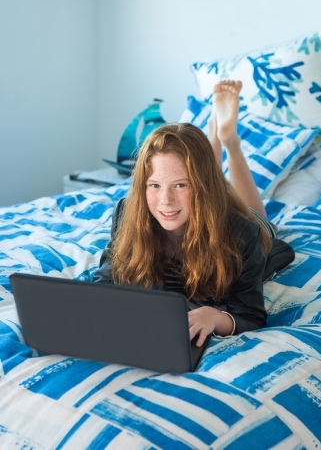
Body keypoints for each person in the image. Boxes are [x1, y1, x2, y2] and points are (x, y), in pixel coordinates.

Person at [93, 80, 277, 347]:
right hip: (204, 199)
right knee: (197, 174)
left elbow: (250, 315)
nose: (165, 201)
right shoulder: (127, 213)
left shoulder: (242, 233)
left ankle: (229, 141)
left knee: (257, 218)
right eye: (154, 185)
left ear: (200, 188)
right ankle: (211, 135)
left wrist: (215, 316)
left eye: (180, 185)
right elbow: (104, 281)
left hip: (239, 221)